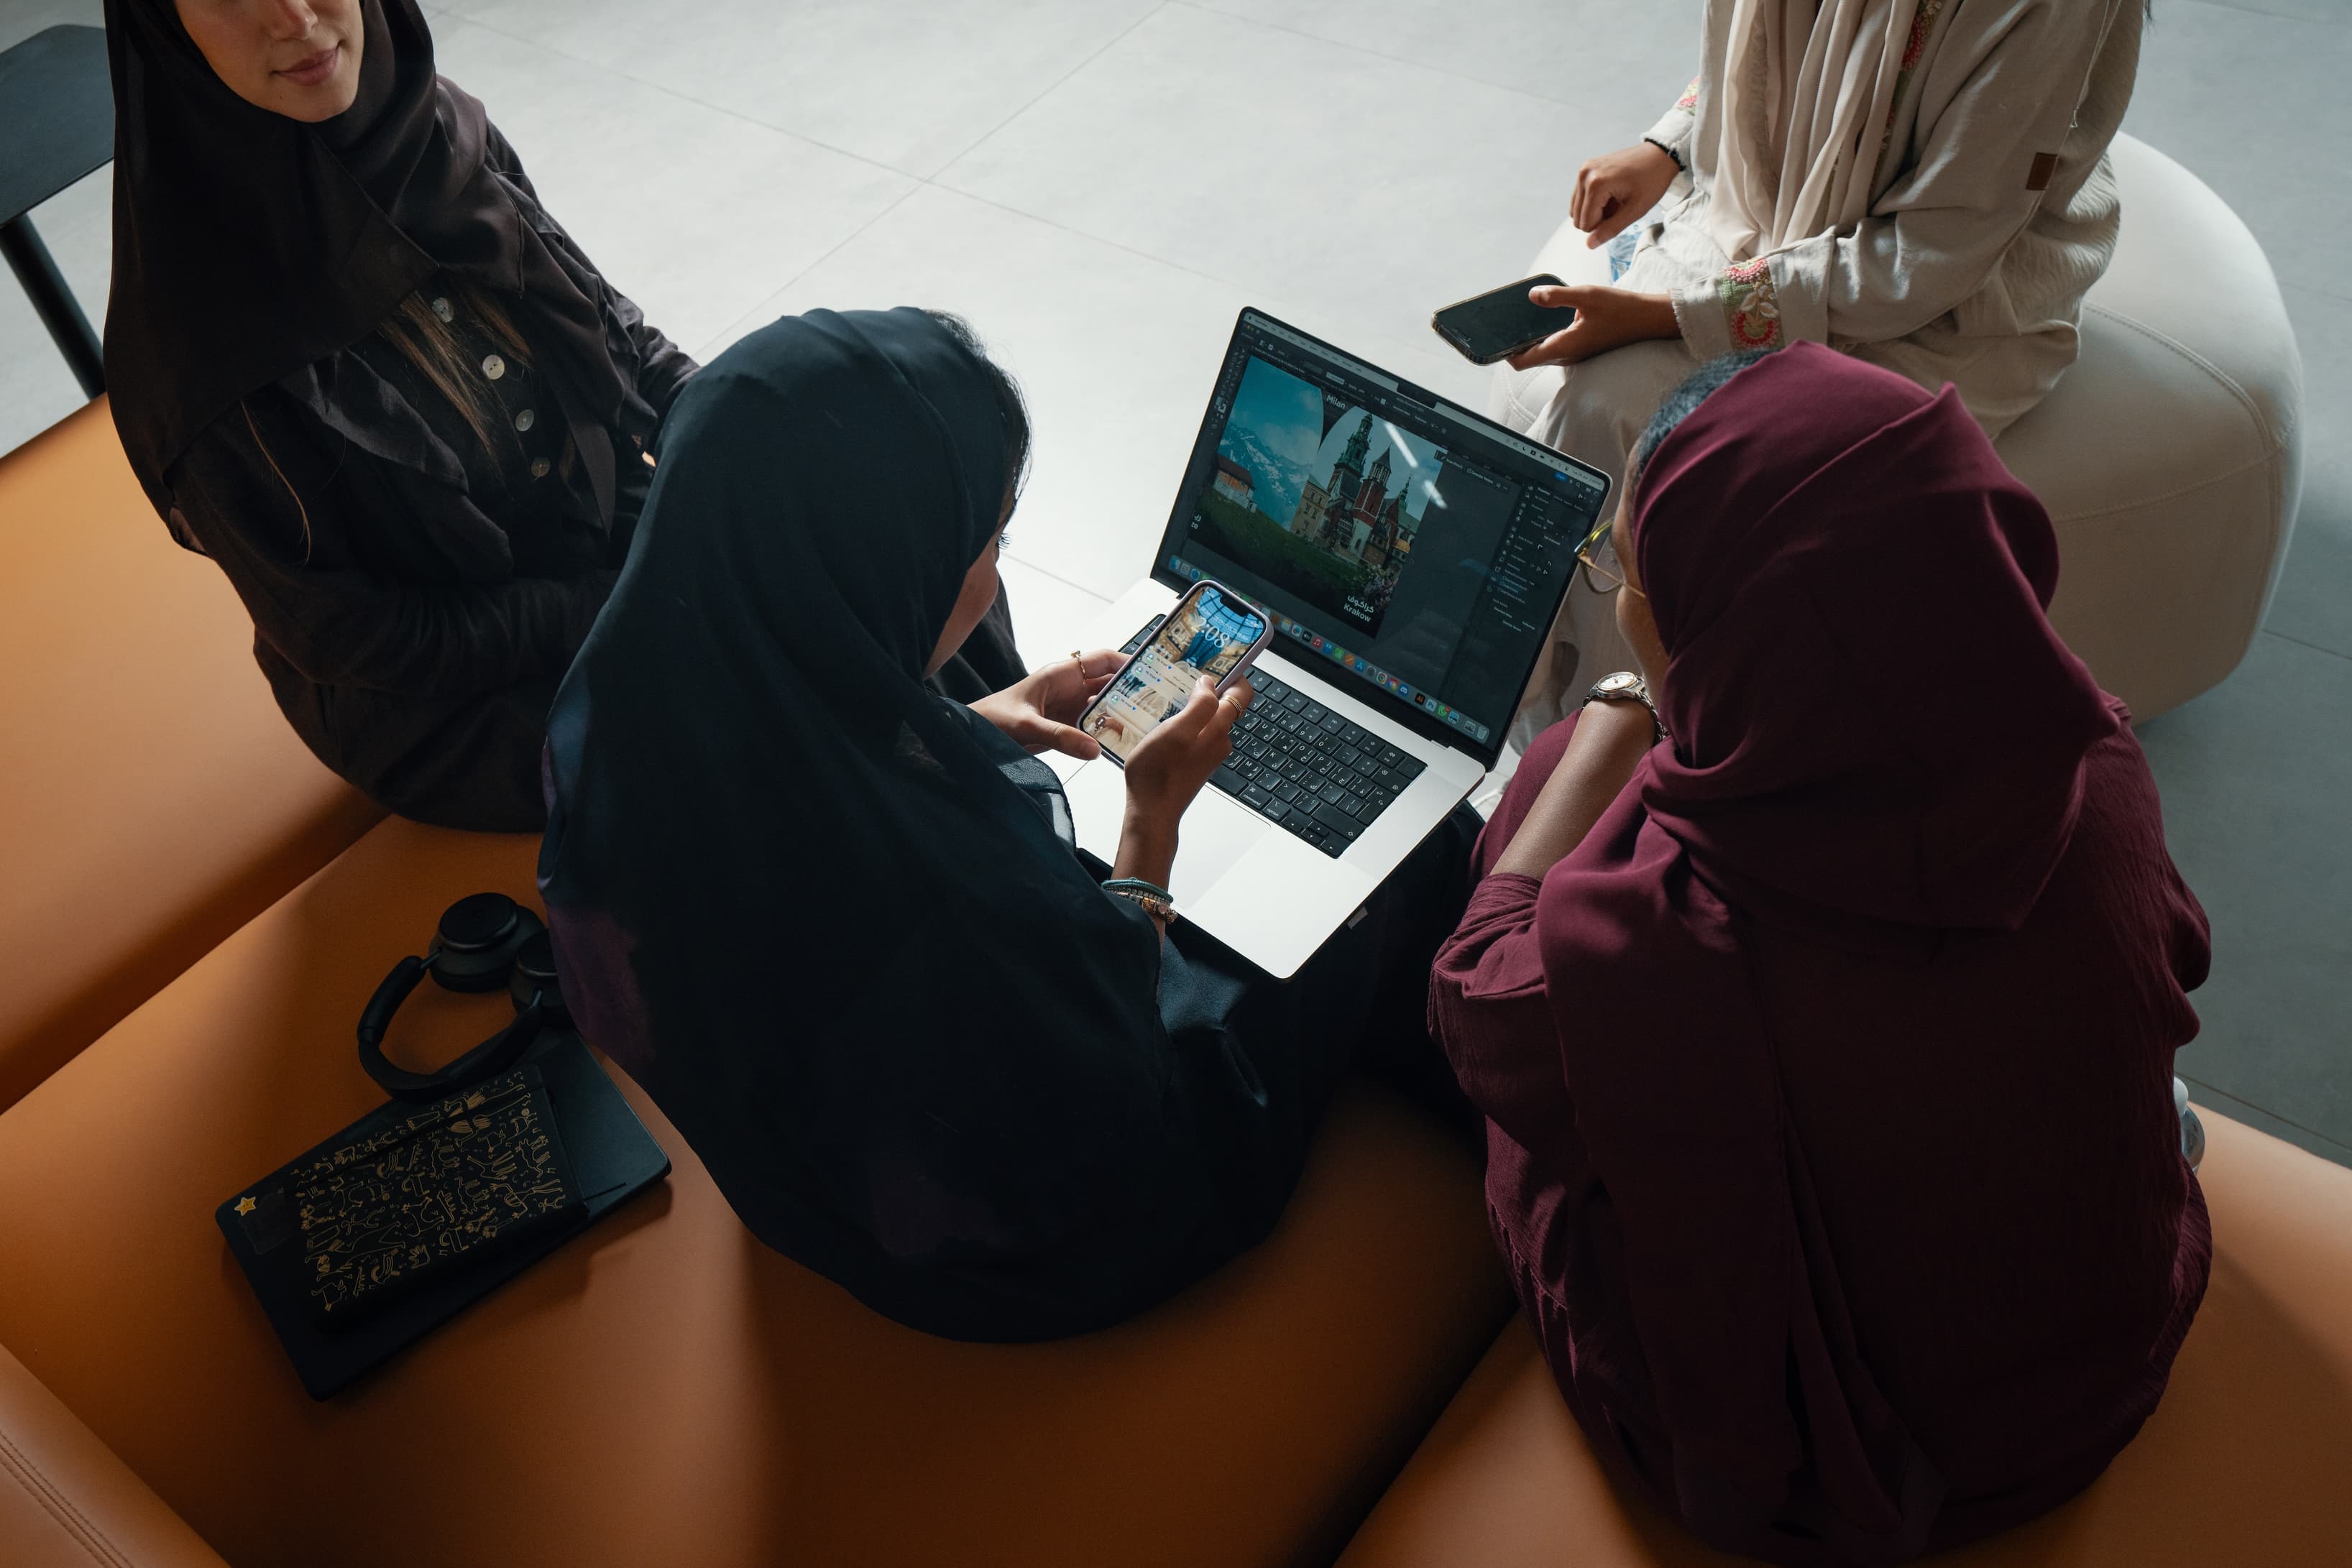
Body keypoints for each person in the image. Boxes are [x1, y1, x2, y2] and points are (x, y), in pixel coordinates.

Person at [538, 307, 1479, 1342]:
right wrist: (1151, 829)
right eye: (984, 540)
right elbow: (1106, 1077)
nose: (989, 572)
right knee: (1395, 875)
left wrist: (967, 723)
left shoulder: (610, 722)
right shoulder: (948, 908)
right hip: (1022, 1241)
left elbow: (798, 790)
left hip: (800, 1171)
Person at [1429, 344, 2210, 1563]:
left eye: (1629, 571)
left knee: (1540, 816)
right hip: (2116, 1353)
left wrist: (1615, 711)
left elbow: (1477, 1002)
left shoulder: (1653, 937)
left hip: (1856, 1467)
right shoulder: (2089, 753)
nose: (1623, 592)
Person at [99, 0, 1021, 829]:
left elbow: (609, 331)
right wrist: (620, 600)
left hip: (594, 547)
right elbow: (363, 640)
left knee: (895, 528)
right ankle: (1002, 898)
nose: (294, 18)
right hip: (459, 696)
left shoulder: (433, 125)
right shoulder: (198, 345)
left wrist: (757, 437)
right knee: (795, 703)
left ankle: (1044, 808)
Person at [1494, 0, 2145, 744]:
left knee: (1658, 442)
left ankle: (1636, 752)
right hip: (1764, 209)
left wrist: (1664, 314)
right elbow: (1774, 54)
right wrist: (1666, 149)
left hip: (1945, 300)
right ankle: (1571, 735)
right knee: (1595, 401)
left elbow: (1928, 262)